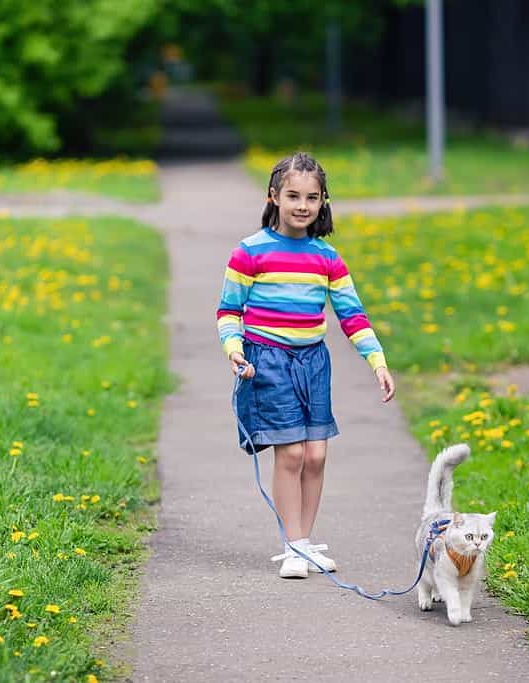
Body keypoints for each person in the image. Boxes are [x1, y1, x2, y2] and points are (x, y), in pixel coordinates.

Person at [216, 151, 395, 579]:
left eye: (312, 197)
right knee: (291, 453)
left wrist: (378, 362)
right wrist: (234, 348)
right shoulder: (249, 253)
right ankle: (293, 546)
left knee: (316, 456)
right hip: (267, 362)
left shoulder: (327, 258)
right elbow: (228, 311)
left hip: (314, 363)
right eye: (293, 195)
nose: (302, 205)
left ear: (322, 202)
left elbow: (352, 315)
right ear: (273, 196)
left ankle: (307, 541)